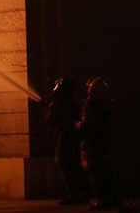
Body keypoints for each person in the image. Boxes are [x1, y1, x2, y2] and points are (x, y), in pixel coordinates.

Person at [44, 77, 88, 205]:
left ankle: (74, 195)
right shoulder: (72, 102)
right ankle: (83, 193)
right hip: (72, 136)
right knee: (74, 165)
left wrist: (49, 110)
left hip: (64, 136)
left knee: (64, 163)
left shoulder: (60, 103)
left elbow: (51, 119)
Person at [77, 77, 117, 210]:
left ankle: (101, 201)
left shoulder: (91, 106)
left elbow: (87, 125)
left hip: (93, 143)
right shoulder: (108, 104)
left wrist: (78, 126)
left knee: (96, 173)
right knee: (105, 172)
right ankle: (110, 199)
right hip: (105, 142)